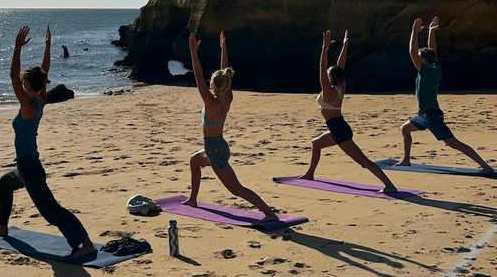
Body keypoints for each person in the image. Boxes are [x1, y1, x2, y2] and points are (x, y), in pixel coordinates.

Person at [0, 26, 97, 258]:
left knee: (51, 212)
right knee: (5, 183)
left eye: (24, 82)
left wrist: (17, 48)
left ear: (28, 86)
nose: (22, 83)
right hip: (25, 166)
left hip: (29, 168)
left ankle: (85, 243)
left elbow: (12, 77)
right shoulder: (40, 100)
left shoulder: (28, 106)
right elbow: (44, 71)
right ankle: (2, 226)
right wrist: (47, 46)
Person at [181, 32, 278, 222]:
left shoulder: (210, 102)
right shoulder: (227, 97)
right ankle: (193, 199)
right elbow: (225, 72)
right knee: (194, 161)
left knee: (236, 189)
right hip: (218, 146)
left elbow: (198, 75)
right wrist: (223, 48)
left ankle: (269, 213)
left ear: (213, 84)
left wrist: (193, 52)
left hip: (215, 150)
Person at [298, 31, 398, 193]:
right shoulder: (340, 86)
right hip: (338, 127)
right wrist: (345, 46)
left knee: (363, 162)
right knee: (316, 144)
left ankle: (390, 185)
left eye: (329, 74)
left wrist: (325, 47)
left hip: (339, 131)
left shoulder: (328, 91)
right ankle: (310, 174)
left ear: (330, 77)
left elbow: (322, 67)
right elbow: (340, 66)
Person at [396, 17, 493, 174]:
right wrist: (431, 32)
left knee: (452, 142)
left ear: (422, 61)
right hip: (424, 114)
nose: (417, 60)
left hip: (430, 115)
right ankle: (406, 160)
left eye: (419, 58)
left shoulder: (426, 72)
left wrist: (414, 32)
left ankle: (485, 166)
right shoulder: (436, 67)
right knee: (405, 129)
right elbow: (432, 50)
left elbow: (412, 52)